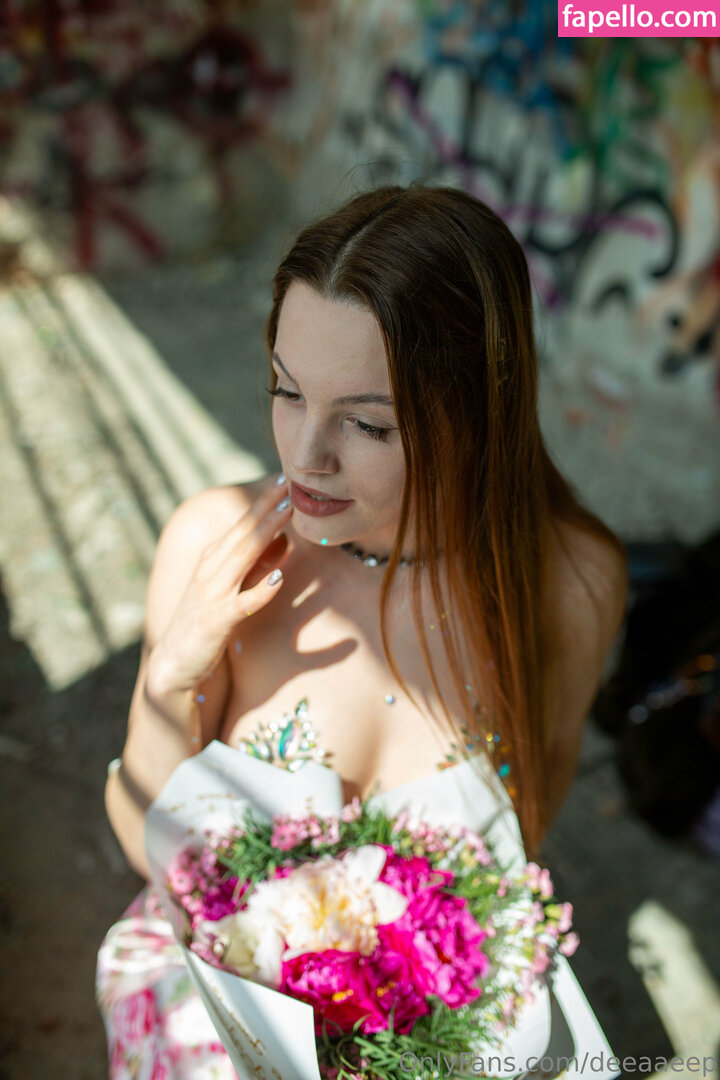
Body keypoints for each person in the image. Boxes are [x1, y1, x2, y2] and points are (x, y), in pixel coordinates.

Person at [96, 183, 629, 1078]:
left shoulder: (570, 582)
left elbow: (524, 831)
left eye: (368, 422)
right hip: (217, 1001)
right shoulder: (212, 545)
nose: (306, 456)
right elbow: (146, 841)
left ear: (477, 410)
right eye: (287, 390)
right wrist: (171, 680)